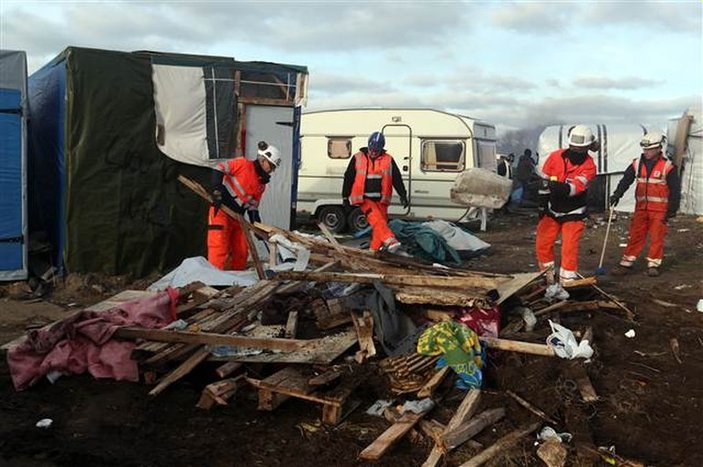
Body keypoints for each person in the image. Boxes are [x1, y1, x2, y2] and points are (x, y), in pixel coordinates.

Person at [609, 131, 680, 277]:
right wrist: (617, 194)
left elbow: (675, 190)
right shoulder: (636, 164)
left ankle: (653, 264)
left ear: (659, 148)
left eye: (649, 149)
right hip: (641, 208)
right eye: (645, 149)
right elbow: (626, 180)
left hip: (660, 210)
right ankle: (626, 262)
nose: (646, 152)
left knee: (656, 237)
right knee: (636, 235)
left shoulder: (668, 167)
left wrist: (672, 209)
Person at [536, 125, 598, 284]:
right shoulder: (555, 157)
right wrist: (542, 204)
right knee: (543, 243)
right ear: (569, 144)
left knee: (569, 247)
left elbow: (575, 188)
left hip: (574, 211)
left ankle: (568, 281)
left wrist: (558, 187)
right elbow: (544, 181)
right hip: (553, 208)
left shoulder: (589, 166)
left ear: (587, 148)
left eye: (580, 149)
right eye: (573, 148)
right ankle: (547, 277)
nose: (576, 152)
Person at [208, 141, 281, 270]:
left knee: (242, 250)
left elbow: (253, 207)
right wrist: (216, 190)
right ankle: (214, 282)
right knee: (218, 249)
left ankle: (237, 281)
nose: (272, 170)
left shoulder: (261, 185)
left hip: (238, 218)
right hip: (222, 212)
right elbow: (219, 168)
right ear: (263, 160)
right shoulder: (243, 164)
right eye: (272, 166)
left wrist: (257, 226)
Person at [342, 131, 408, 252]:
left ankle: (374, 251)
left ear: (381, 149)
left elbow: (396, 178)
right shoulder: (358, 158)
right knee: (376, 220)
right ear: (368, 146)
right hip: (364, 198)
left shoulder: (388, 159)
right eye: (371, 149)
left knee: (380, 225)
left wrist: (403, 194)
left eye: (376, 151)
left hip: (382, 199)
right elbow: (348, 177)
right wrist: (345, 197)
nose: (373, 153)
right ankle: (390, 240)